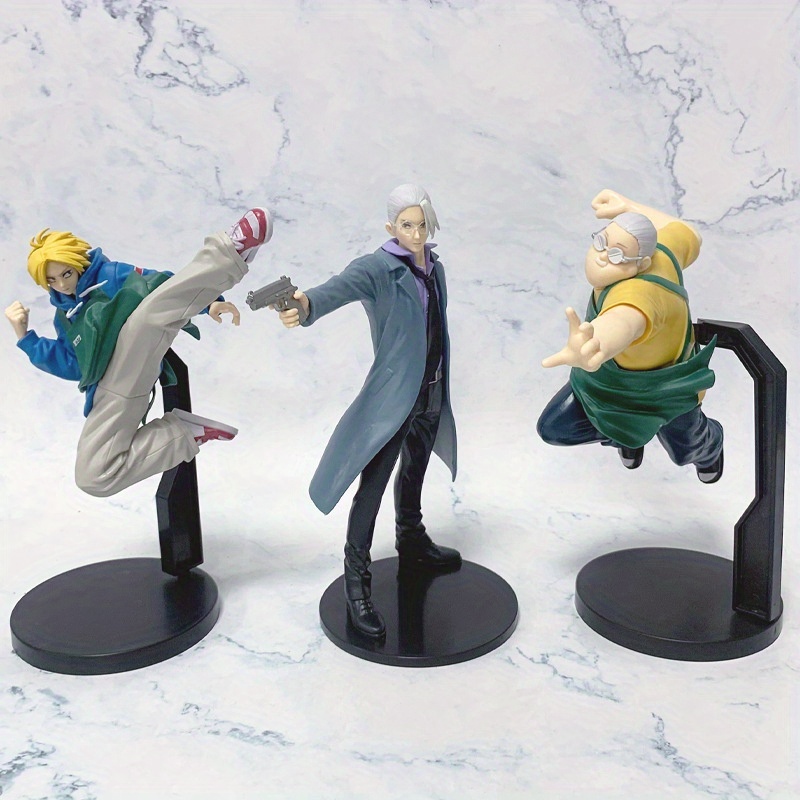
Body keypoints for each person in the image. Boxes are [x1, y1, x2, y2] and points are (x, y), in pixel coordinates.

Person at [277, 184, 460, 638]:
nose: (415, 233)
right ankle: (356, 581)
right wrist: (304, 304)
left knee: (415, 469)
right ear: (391, 227)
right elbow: (337, 288)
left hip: (432, 389)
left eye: (421, 224)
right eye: (406, 225)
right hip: (395, 398)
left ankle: (411, 539)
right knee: (373, 486)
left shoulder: (434, 268)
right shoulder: (378, 268)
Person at [5, 208, 272, 497]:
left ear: (78, 262)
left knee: (147, 316)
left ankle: (230, 250)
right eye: (52, 280)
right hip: (108, 389)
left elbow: (160, 284)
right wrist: (25, 337)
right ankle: (182, 433)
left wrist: (209, 304)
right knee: (92, 477)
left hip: (135, 346)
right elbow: (73, 365)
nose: (62, 284)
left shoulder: (110, 275)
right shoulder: (64, 317)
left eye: (66, 273)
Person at [537, 189, 724, 482]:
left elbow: (623, 320)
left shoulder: (638, 295)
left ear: (642, 264)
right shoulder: (662, 251)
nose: (602, 258)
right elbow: (690, 233)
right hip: (609, 385)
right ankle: (627, 434)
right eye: (602, 242)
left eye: (617, 255)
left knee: (685, 450)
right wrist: (628, 206)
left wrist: (595, 343)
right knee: (555, 428)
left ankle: (711, 446)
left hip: (666, 392)